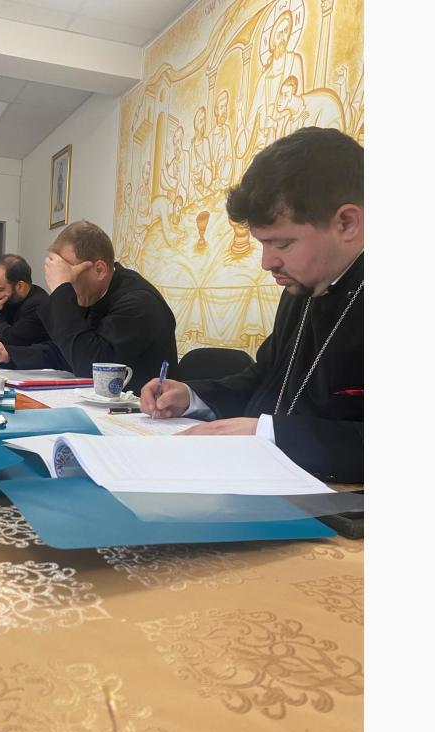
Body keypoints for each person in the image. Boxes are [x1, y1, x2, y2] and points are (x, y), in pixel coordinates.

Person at [140, 127, 363, 482]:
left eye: (282, 244)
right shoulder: (302, 289)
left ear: (347, 223)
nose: (267, 262)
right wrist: (192, 396)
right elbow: (266, 377)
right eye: (263, 244)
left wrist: (269, 434)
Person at [0, 220, 177, 394]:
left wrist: (61, 290)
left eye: (67, 276)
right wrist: (8, 354)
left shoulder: (139, 302)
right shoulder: (93, 294)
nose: (66, 288)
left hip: (143, 416)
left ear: (99, 270)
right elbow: (62, 352)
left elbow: (90, 366)